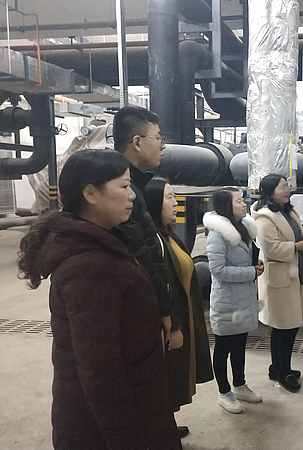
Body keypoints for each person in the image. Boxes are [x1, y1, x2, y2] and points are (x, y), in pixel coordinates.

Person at [17, 149, 181, 450]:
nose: (132, 195)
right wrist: (127, 439)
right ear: (90, 193)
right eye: (124, 185)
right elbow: (101, 372)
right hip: (105, 428)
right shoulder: (89, 268)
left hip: (133, 403)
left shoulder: (107, 242)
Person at [144, 177, 214, 431]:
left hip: (181, 315)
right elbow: (159, 286)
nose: (175, 203)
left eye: (175, 197)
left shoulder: (168, 235)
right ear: (154, 202)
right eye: (169, 197)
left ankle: (167, 425)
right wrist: (172, 325)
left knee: (175, 375)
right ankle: (162, 431)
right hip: (168, 322)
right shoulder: (154, 240)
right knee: (168, 375)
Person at [112, 106, 176, 350]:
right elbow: (143, 254)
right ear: (137, 142)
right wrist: (166, 311)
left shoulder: (138, 186)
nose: (162, 146)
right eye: (158, 138)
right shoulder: (127, 193)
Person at [203, 187, 264, 413]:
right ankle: (224, 392)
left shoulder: (243, 226)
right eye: (238, 201)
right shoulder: (217, 234)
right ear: (227, 206)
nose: (244, 203)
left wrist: (256, 266)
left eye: (242, 199)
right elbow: (217, 270)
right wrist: (251, 272)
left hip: (243, 299)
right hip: (227, 301)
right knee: (223, 348)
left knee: (239, 345)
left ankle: (239, 385)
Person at [251, 174, 303, 393]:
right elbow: (271, 248)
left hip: (291, 275)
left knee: (285, 327)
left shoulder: (286, 211)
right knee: (284, 328)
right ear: (270, 191)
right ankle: (284, 372)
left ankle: (277, 368)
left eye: (287, 186)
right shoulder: (265, 217)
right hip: (279, 280)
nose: (287, 190)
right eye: (282, 187)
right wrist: (296, 247)